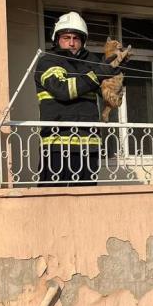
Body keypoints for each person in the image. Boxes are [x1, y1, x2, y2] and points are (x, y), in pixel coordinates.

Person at [34, 11, 117, 185]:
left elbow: (109, 88)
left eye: (76, 38)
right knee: (53, 201)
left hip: (89, 145)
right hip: (57, 145)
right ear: (57, 39)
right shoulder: (48, 61)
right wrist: (97, 75)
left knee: (86, 202)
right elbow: (62, 90)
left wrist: (117, 76)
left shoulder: (92, 61)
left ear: (83, 40)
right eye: (66, 37)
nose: (71, 42)